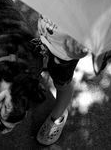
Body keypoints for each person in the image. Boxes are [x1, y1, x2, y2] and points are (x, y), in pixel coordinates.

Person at [35, 15, 89, 146]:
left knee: (62, 83)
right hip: (44, 35)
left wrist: (83, 46)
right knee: (36, 63)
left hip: (64, 54)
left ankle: (57, 114)